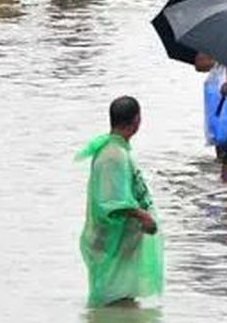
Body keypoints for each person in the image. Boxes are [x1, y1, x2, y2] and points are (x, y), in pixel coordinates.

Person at [76, 96, 163, 308]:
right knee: (114, 299)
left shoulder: (116, 149)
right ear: (137, 121)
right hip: (110, 241)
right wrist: (143, 216)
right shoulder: (113, 155)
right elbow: (111, 202)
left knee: (123, 302)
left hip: (120, 241)